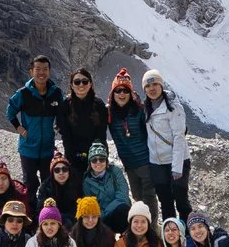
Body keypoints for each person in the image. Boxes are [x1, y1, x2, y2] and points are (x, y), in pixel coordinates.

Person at [6, 54, 66, 199]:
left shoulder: (56, 93)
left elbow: (62, 112)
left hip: (47, 148)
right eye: (38, 69)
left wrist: (58, 125)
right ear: (31, 71)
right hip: (28, 149)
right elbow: (10, 111)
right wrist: (18, 128)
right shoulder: (23, 93)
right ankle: (32, 215)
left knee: (48, 183)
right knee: (30, 185)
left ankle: (46, 216)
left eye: (45, 69)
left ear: (49, 72)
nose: (41, 73)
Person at [141, 68, 191, 221]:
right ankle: (171, 236)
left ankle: (188, 235)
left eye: (155, 84)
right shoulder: (146, 107)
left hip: (177, 161)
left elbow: (179, 137)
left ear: (161, 85)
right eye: (148, 86)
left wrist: (176, 168)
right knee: (165, 202)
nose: (151, 89)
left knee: (181, 200)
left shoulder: (173, 107)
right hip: (157, 163)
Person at [104, 69, 151, 209]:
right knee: (137, 197)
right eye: (118, 90)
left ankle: (152, 228)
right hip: (129, 164)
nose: (122, 94)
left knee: (149, 197)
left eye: (125, 90)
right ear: (113, 93)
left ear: (131, 93)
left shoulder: (140, 110)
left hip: (146, 162)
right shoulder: (108, 112)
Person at [59, 65, 109, 172]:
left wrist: (96, 155)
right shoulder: (65, 105)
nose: (81, 84)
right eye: (77, 82)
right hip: (73, 156)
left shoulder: (99, 105)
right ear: (72, 85)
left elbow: (101, 133)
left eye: (85, 81)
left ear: (90, 84)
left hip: (96, 156)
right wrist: (71, 156)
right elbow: (65, 133)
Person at [79, 142, 131, 225]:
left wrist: (105, 212)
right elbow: (90, 204)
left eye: (102, 159)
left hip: (116, 211)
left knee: (123, 210)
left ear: (106, 161)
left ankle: (125, 236)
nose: (98, 162)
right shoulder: (86, 181)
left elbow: (122, 196)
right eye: (94, 160)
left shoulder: (115, 172)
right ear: (90, 163)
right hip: (100, 217)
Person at [37, 150, 82, 226]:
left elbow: (80, 206)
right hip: (52, 222)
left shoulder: (76, 184)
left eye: (64, 169)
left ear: (69, 171)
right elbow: (41, 210)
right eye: (57, 170)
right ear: (52, 173)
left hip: (74, 222)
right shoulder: (45, 187)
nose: (61, 173)